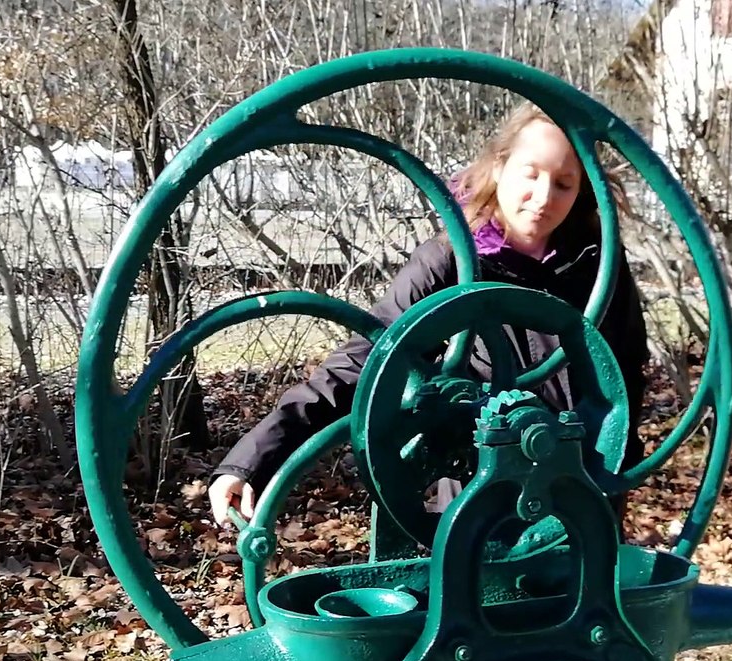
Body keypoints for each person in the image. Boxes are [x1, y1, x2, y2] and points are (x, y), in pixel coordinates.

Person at [207, 102, 650, 532]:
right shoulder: (450, 261)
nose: (542, 198)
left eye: (563, 184)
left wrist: (616, 461)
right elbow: (368, 359)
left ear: (583, 191)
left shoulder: (599, 262)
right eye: (530, 175)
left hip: (584, 484)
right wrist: (252, 461)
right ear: (499, 168)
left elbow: (626, 366)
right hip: (483, 488)